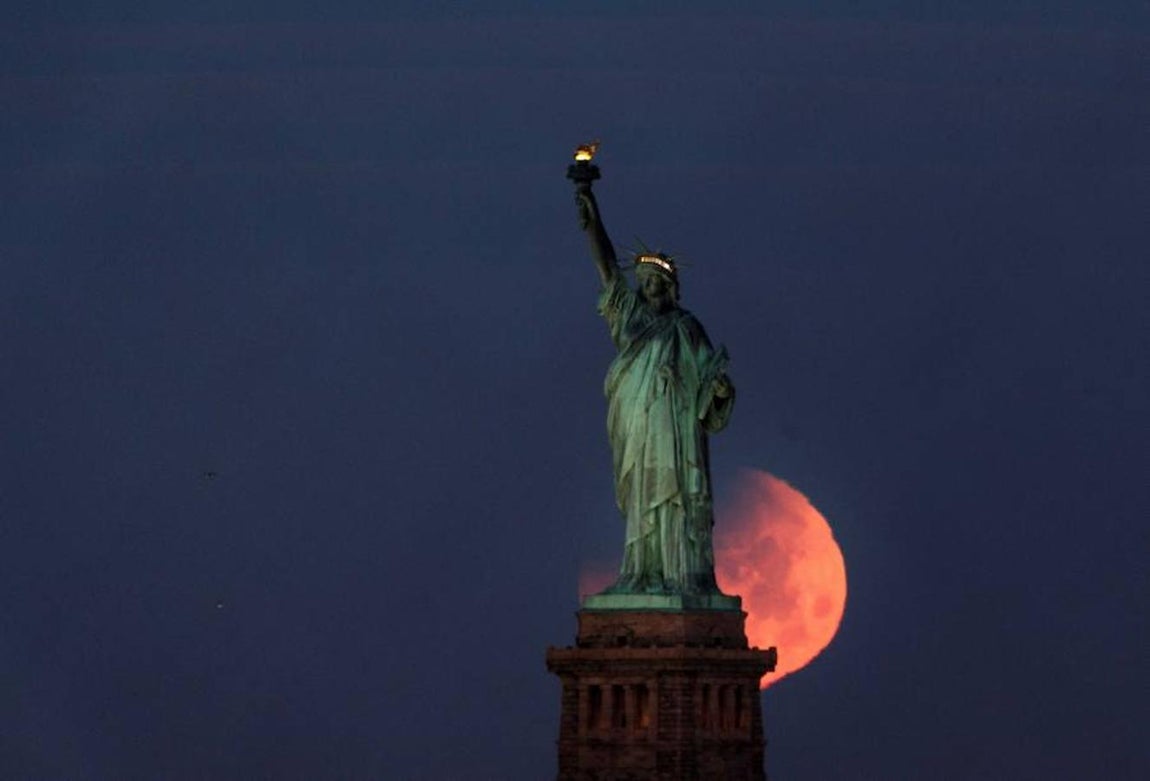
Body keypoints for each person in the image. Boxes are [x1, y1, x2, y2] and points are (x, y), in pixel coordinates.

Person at [575, 187, 735, 595]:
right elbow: (607, 267)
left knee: (675, 493)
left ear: (670, 287)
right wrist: (591, 213)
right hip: (637, 419)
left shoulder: (686, 326)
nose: (649, 288)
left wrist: (718, 389)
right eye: (644, 282)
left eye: (656, 282)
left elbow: (708, 380)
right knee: (644, 492)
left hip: (675, 425)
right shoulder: (627, 314)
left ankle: (681, 575)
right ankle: (641, 572)